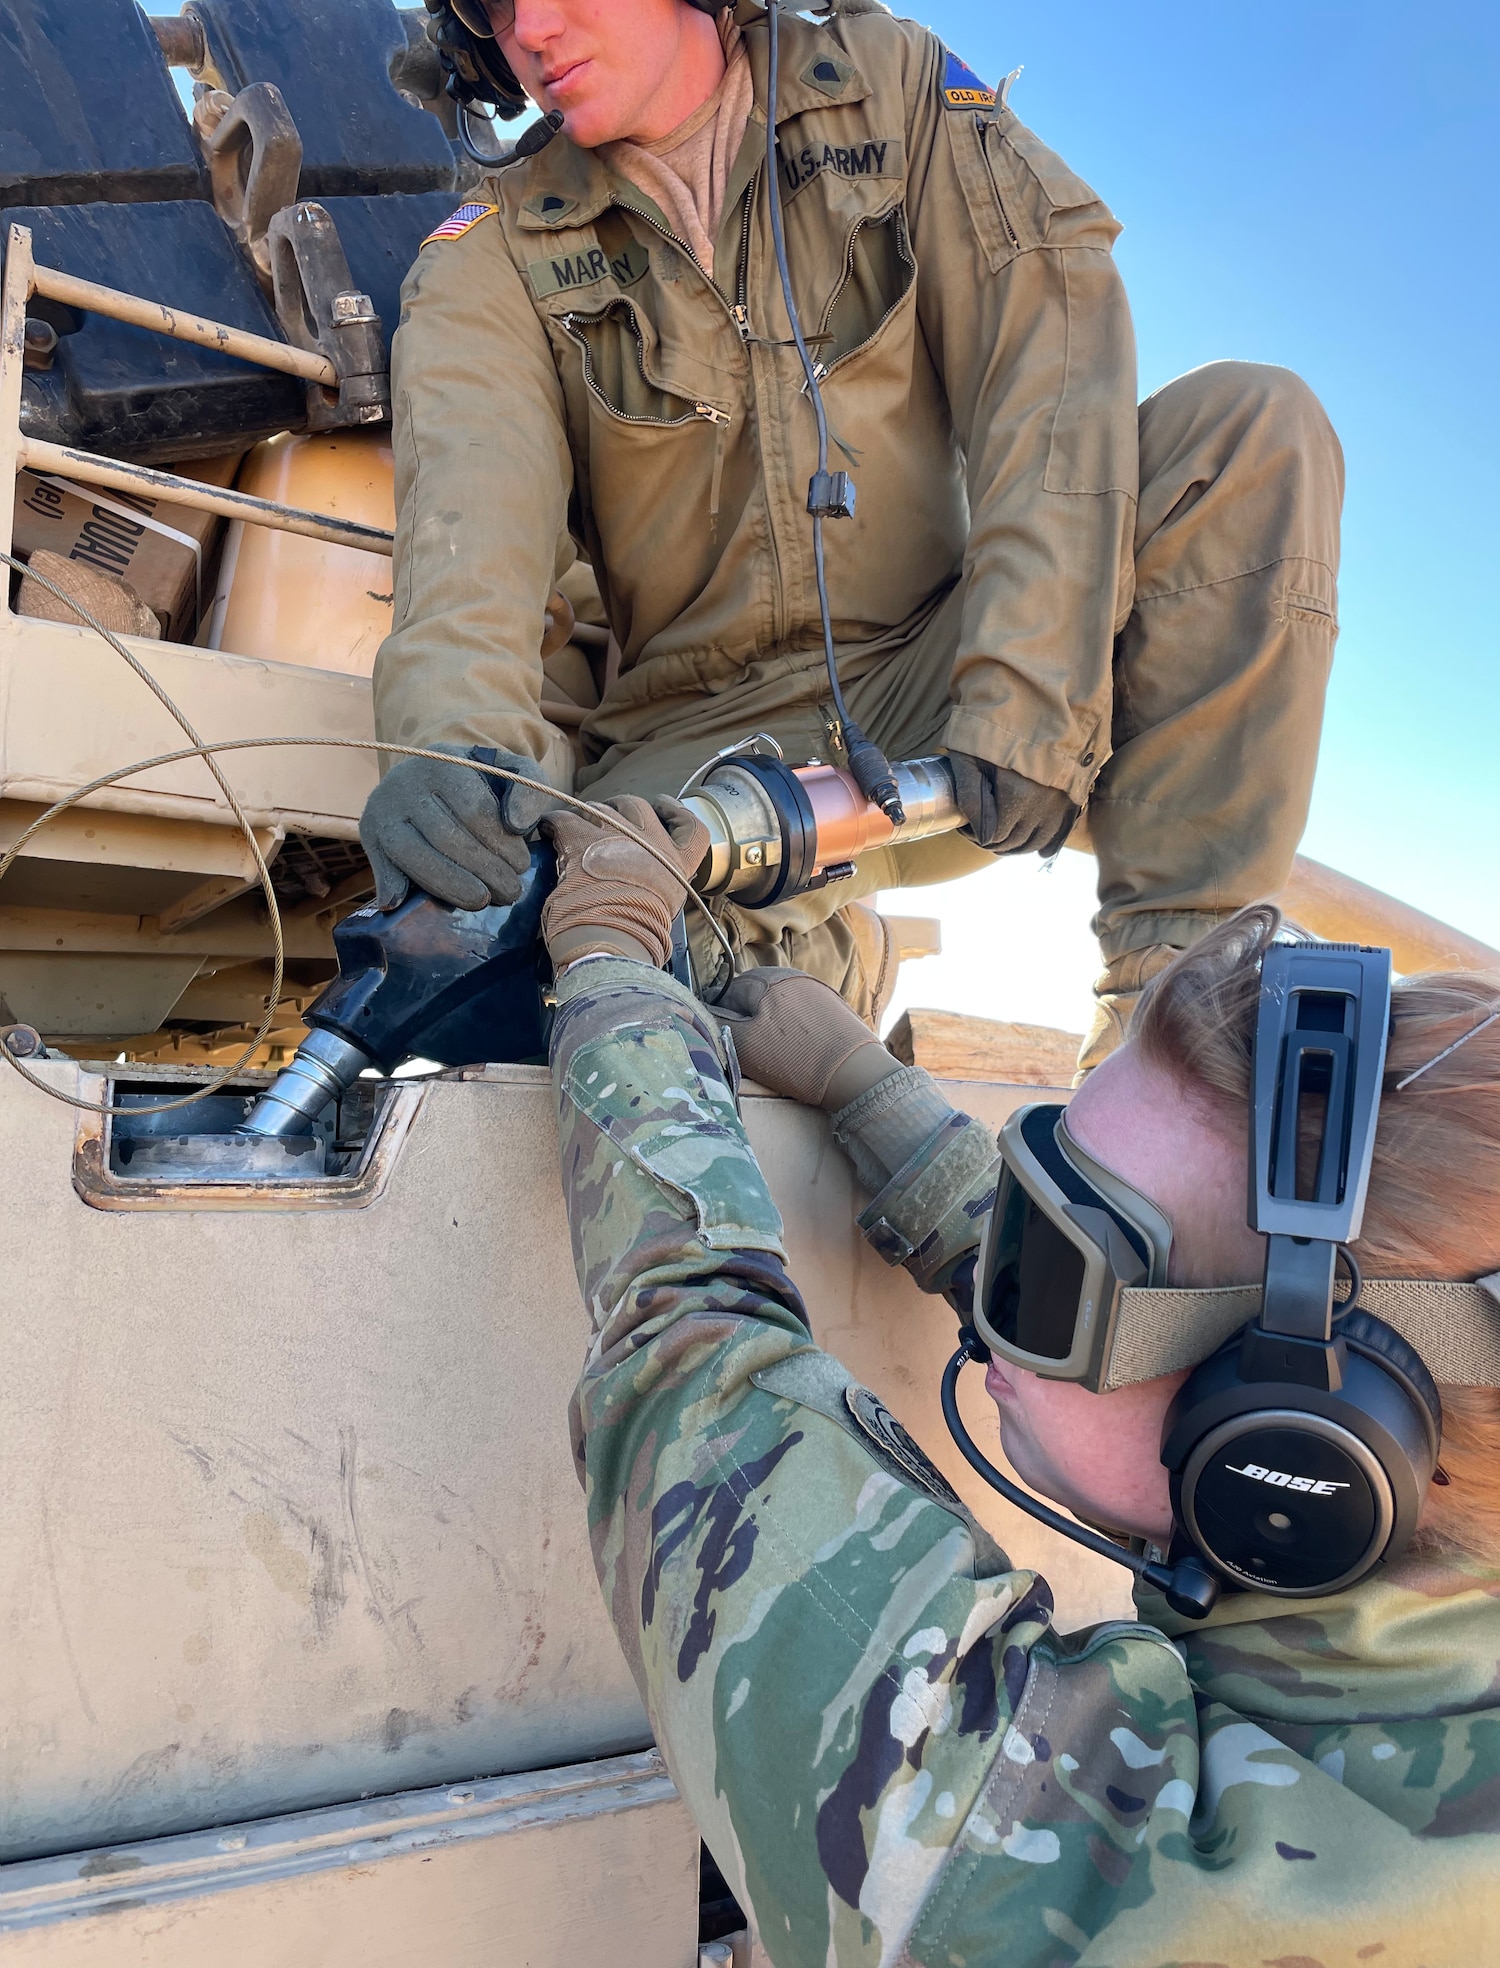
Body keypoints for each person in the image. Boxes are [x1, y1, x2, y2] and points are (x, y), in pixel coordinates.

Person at [536, 794, 1500, 1964]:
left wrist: (608, 960)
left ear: (1295, 1433)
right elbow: (1153, 1319)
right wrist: (869, 1091)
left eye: (1048, 1271)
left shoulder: (1098, 1890)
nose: (995, 1322)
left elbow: (691, 1374)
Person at [360, 0, 1344, 1059]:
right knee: (586, 960)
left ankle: (1172, 1037)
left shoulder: (896, 92)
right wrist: (455, 755)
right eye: (492, 1)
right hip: (693, 749)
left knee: (1250, 432)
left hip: (949, 683)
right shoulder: (489, 255)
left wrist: (1023, 692)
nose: (531, 29)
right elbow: (468, 539)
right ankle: (812, 958)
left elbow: (1046, 367)